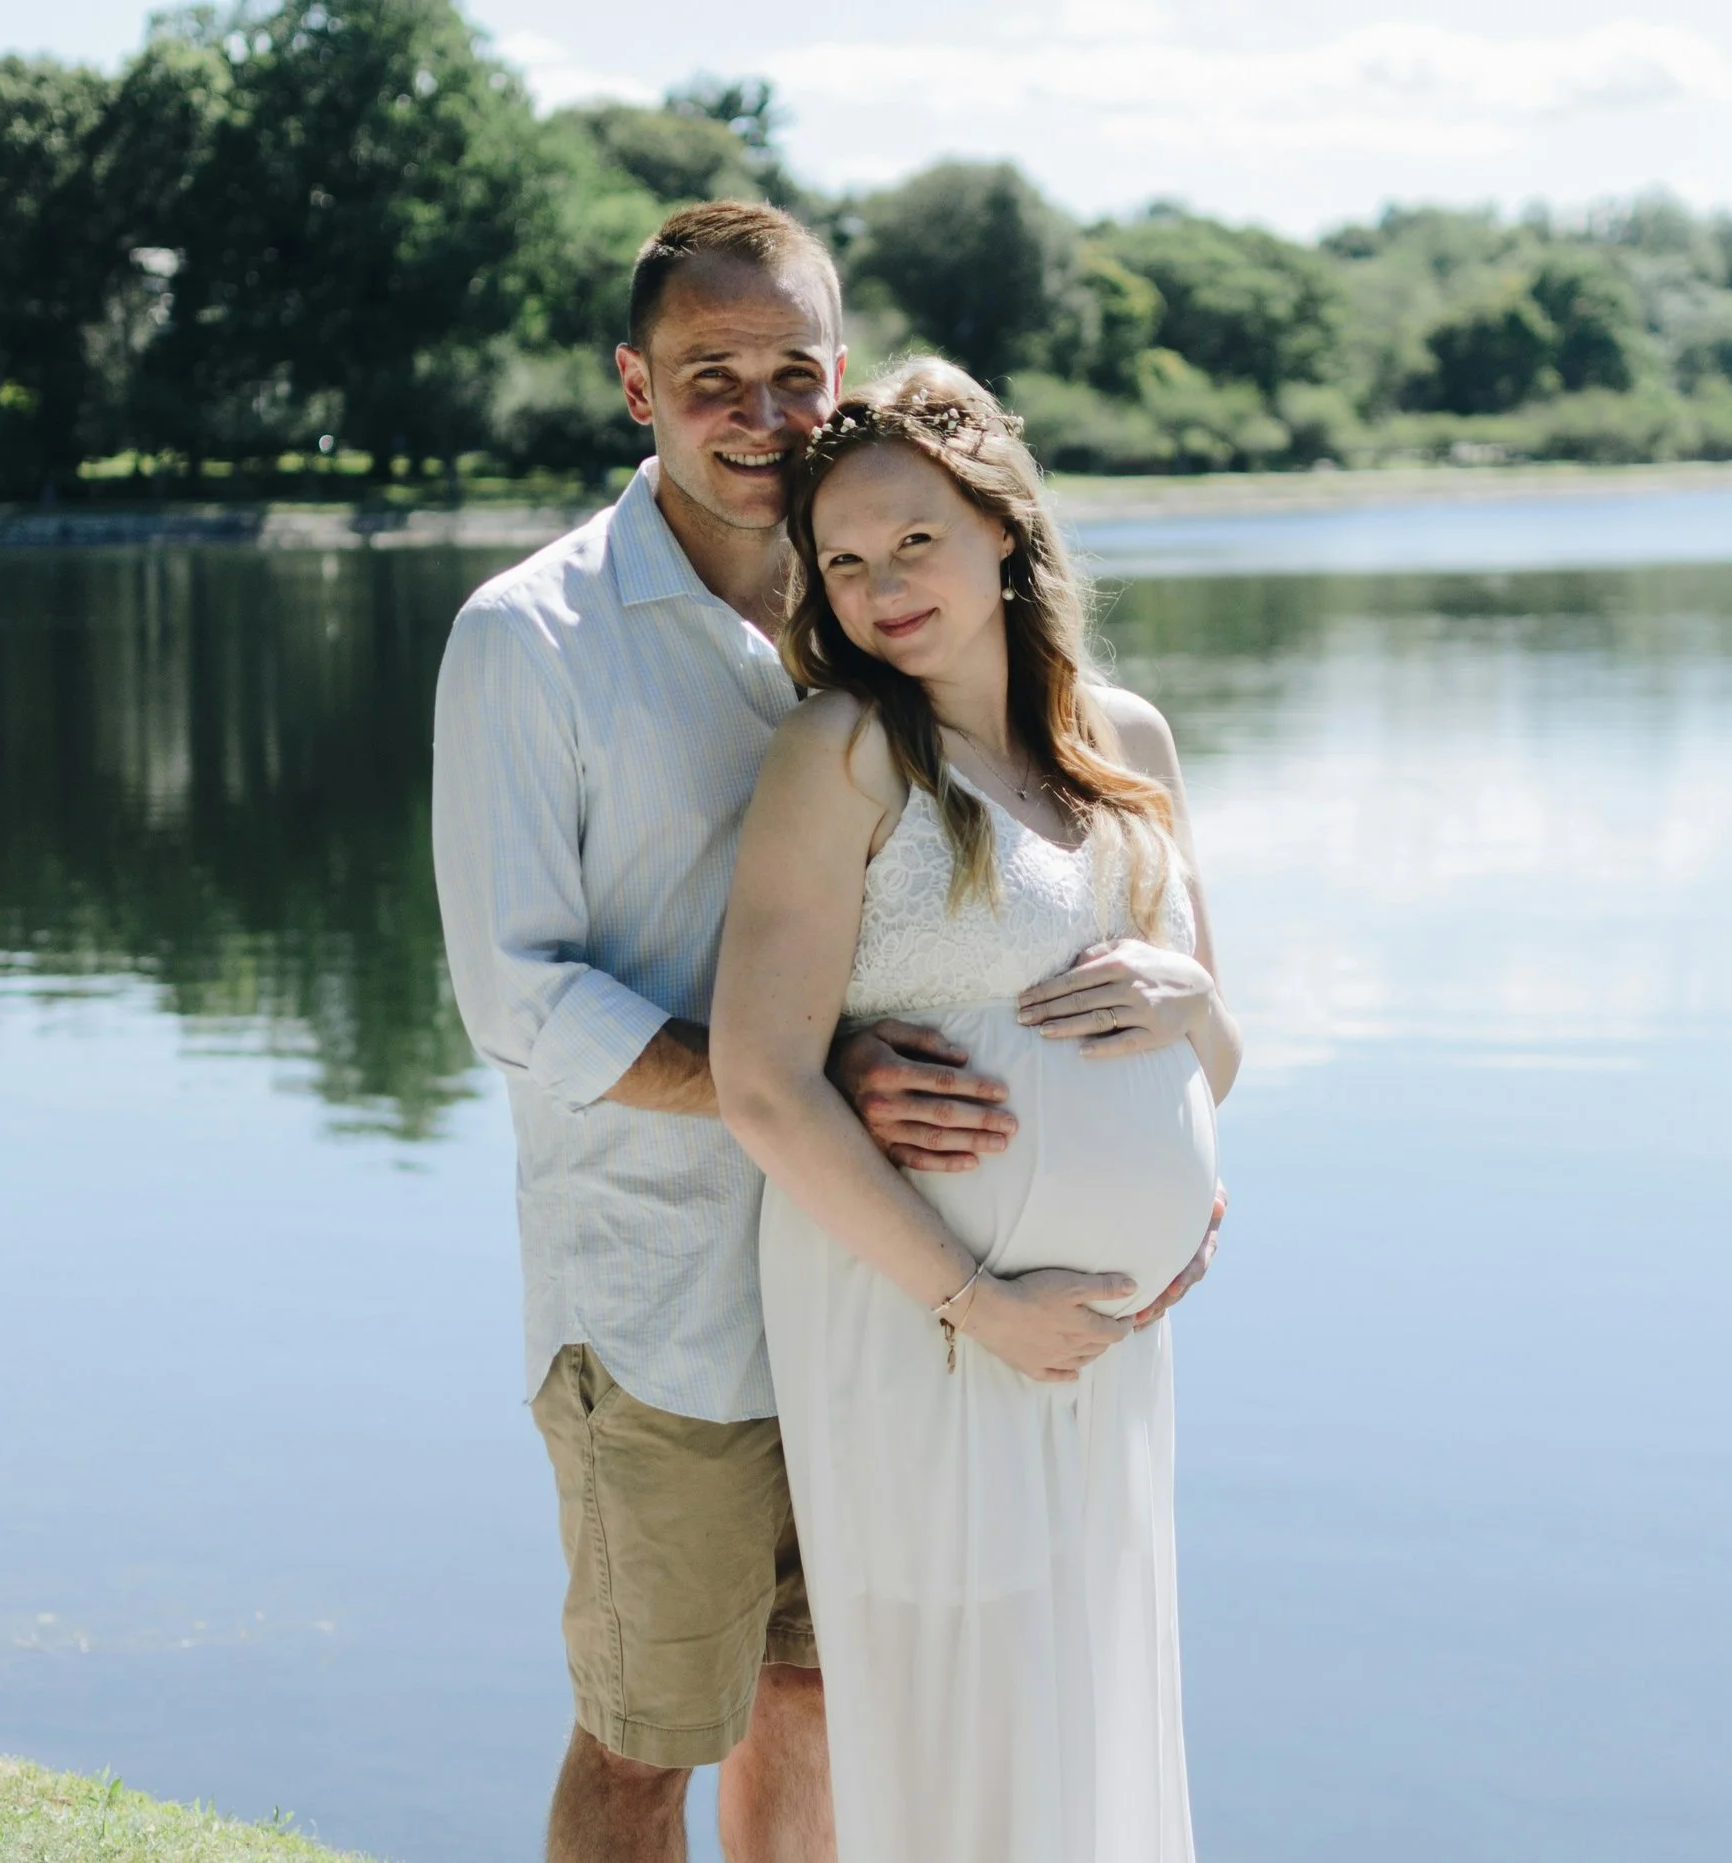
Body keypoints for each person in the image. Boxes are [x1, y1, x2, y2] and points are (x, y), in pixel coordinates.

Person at [432, 203, 1222, 1863]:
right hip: (671, 1299)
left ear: (841, 374)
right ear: (636, 389)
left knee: (832, 1703)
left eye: (794, 369)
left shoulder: (872, 594)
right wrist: (785, 1081)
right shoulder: (534, 637)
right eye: (710, 372)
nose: (761, 408)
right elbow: (519, 995)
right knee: (651, 1729)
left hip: (892, 1297)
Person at [711, 358, 1244, 1863]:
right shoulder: (841, 755)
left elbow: (1222, 1056)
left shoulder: (1127, 744)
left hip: (1106, 1342)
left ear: (1003, 531)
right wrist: (977, 1297)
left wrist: (1186, 1004)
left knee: (1084, 1682)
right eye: (846, 560)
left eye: (916, 541)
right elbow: (760, 1077)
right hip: (922, 1315)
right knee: (956, 1703)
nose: (882, 585)